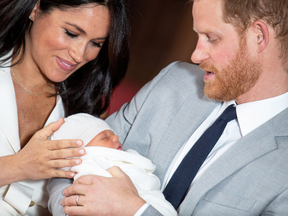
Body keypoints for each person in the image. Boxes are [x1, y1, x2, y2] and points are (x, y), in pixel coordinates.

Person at [49, 0, 288, 215]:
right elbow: (69, 165)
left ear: (259, 36)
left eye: (211, 38)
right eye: (198, 36)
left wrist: (135, 211)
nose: (196, 55)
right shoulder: (174, 80)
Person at [0, 0, 129, 215]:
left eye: (96, 43)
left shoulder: (88, 112)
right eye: (71, 33)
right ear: (35, 8)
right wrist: (18, 165)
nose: (79, 55)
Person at [49, 113, 177, 216]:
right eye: (105, 137)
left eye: (113, 133)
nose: (116, 137)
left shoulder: (125, 156)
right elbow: (94, 189)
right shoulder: (88, 162)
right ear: (82, 150)